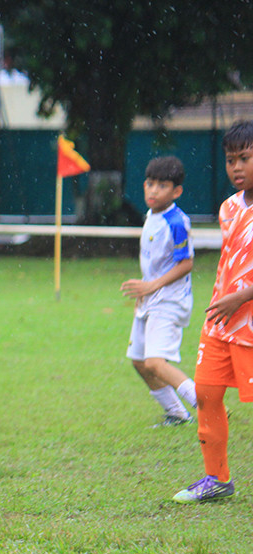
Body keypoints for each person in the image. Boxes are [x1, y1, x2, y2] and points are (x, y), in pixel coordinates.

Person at [174, 120, 253, 502]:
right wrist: (228, 299)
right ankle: (216, 478)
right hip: (220, 322)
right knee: (206, 393)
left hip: (250, 325)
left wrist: (243, 296)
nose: (236, 168)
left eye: (245, 159)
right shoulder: (228, 208)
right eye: (230, 160)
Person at [121, 155, 197, 427]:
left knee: (155, 362)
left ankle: (207, 403)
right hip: (150, 299)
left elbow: (186, 263)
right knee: (140, 362)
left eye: (162, 186)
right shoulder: (151, 216)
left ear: (176, 191)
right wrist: (145, 289)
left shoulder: (177, 221)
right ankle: (177, 414)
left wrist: (152, 285)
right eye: (150, 183)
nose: (153, 190)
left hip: (169, 300)